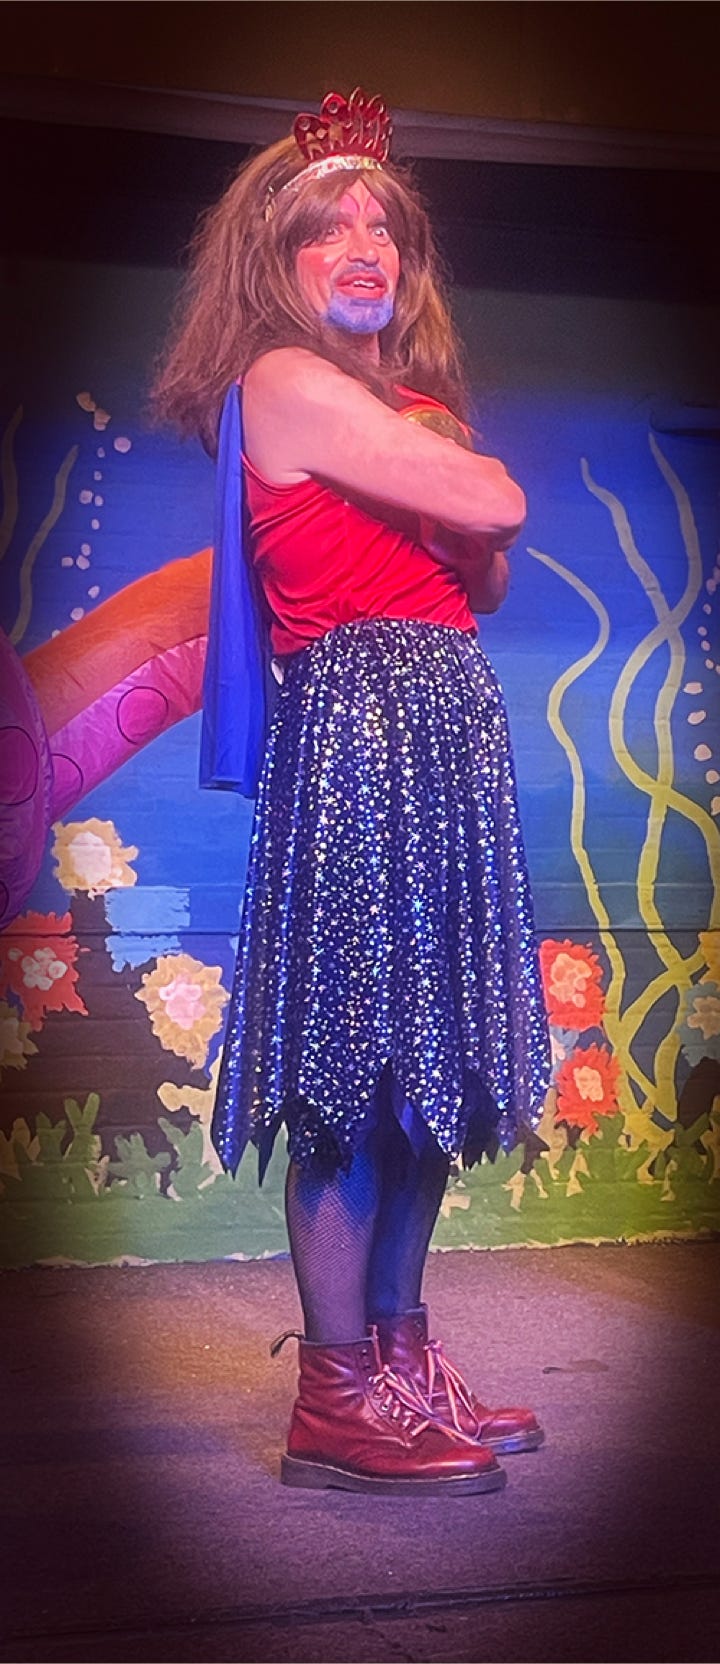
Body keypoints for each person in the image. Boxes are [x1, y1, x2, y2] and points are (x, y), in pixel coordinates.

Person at [152, 89, 551, 1496]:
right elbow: (497, 509)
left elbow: (482, 585)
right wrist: (458, 466)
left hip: (445, 725)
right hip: (363, 728)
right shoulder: (282, 378)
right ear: (278, 263)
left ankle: (399, 1360)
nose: (363, 244)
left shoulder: (400, 407)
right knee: (350, 1070)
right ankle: (333, 1398)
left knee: (429, 1064)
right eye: (328, 228)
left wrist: (447, 466)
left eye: (385, 224)